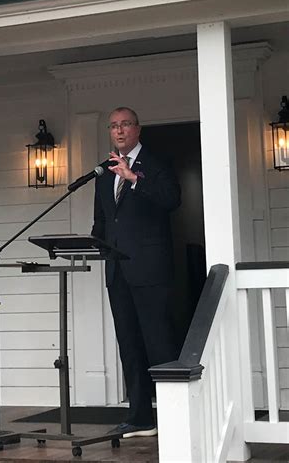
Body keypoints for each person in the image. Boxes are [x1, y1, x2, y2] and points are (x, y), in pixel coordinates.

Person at [91, 106, 181, 438]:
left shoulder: (156, 164)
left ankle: (174, 415)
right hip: (118, 272)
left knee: (159, 342)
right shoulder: (104, 172)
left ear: (138, 129)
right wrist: (97, 246)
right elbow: (102, 220)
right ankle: (141, 416)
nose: (119, 130)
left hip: (151, 270)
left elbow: (172, 199)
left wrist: (134, 179)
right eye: (113, 126)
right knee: (128, 344)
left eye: (125, 124)